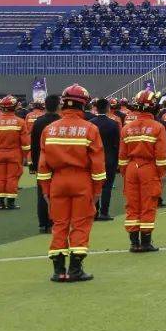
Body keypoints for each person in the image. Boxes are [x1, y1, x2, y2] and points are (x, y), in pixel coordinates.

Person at [37, 84, 105, 283]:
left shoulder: (49, 130)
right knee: (81, 223)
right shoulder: (90, 129)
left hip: (57, 181)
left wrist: (46, 190)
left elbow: (43, 166)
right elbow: (98, 165)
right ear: (83, 105)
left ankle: (59, 271)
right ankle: (75, 269)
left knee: (59, 224)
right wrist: (97, 190)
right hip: (82, 181)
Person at [117, 90, 166, 252]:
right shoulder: (157, 127)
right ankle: (145, 242)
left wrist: (126, 172)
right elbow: (161, 155)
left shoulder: (127, 128)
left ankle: (134, 242)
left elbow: (122, 156)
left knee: (132, 204)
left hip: (131, 168)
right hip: (149, 168)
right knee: (148, 203)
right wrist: (162, 175)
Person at [30, 94, 61, 233]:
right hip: (59, 164)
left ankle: (43, 223)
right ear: (58, 106)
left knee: (42, 193)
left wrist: (35, 164)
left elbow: (34, 145)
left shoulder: (38, 122)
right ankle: (54, 221)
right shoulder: (61, 122)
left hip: (42, 163)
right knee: (58, 194)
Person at [0, 95, 26, 210]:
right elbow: (25, 143)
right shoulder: (20, 122)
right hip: (14, 155)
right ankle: (10, 203)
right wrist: (25, 157)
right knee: (12, 178)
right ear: (14, 107)